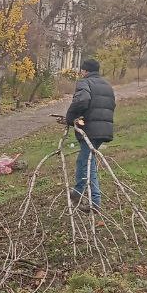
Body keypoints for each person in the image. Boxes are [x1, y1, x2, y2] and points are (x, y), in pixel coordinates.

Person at [65, 58, 116, 210]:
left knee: (87, 163)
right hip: (104, 129)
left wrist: (70, 118)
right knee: (85, 160)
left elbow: (82, 100)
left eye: (82, 70)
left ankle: (94, 201)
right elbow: (111, 104)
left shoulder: (84, 82)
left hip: (90, 129)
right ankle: (78, 192)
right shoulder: (107, 85)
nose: (81, 72)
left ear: (85, 71)